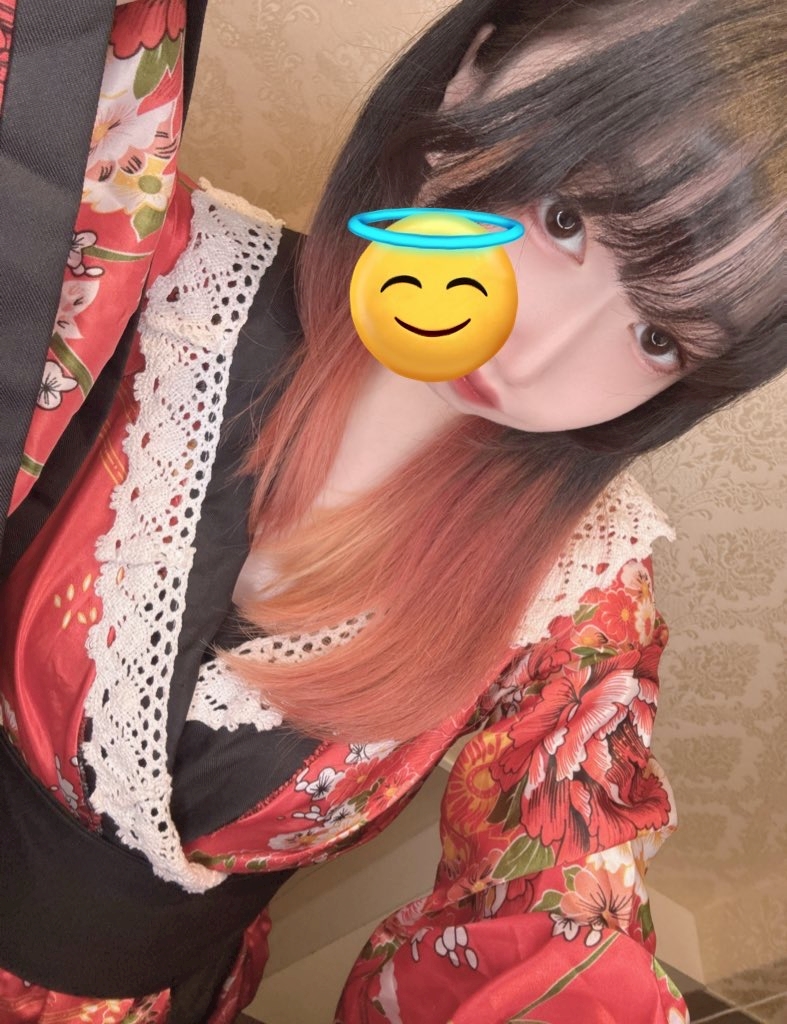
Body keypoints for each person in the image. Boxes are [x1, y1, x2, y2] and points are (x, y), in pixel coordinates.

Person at [0, 0, 783, 1021]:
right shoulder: (138, 267)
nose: (536, 355)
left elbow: (554, 913)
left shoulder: (581, 590)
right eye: (565, 218)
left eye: (659, 339)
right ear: (474, 72)